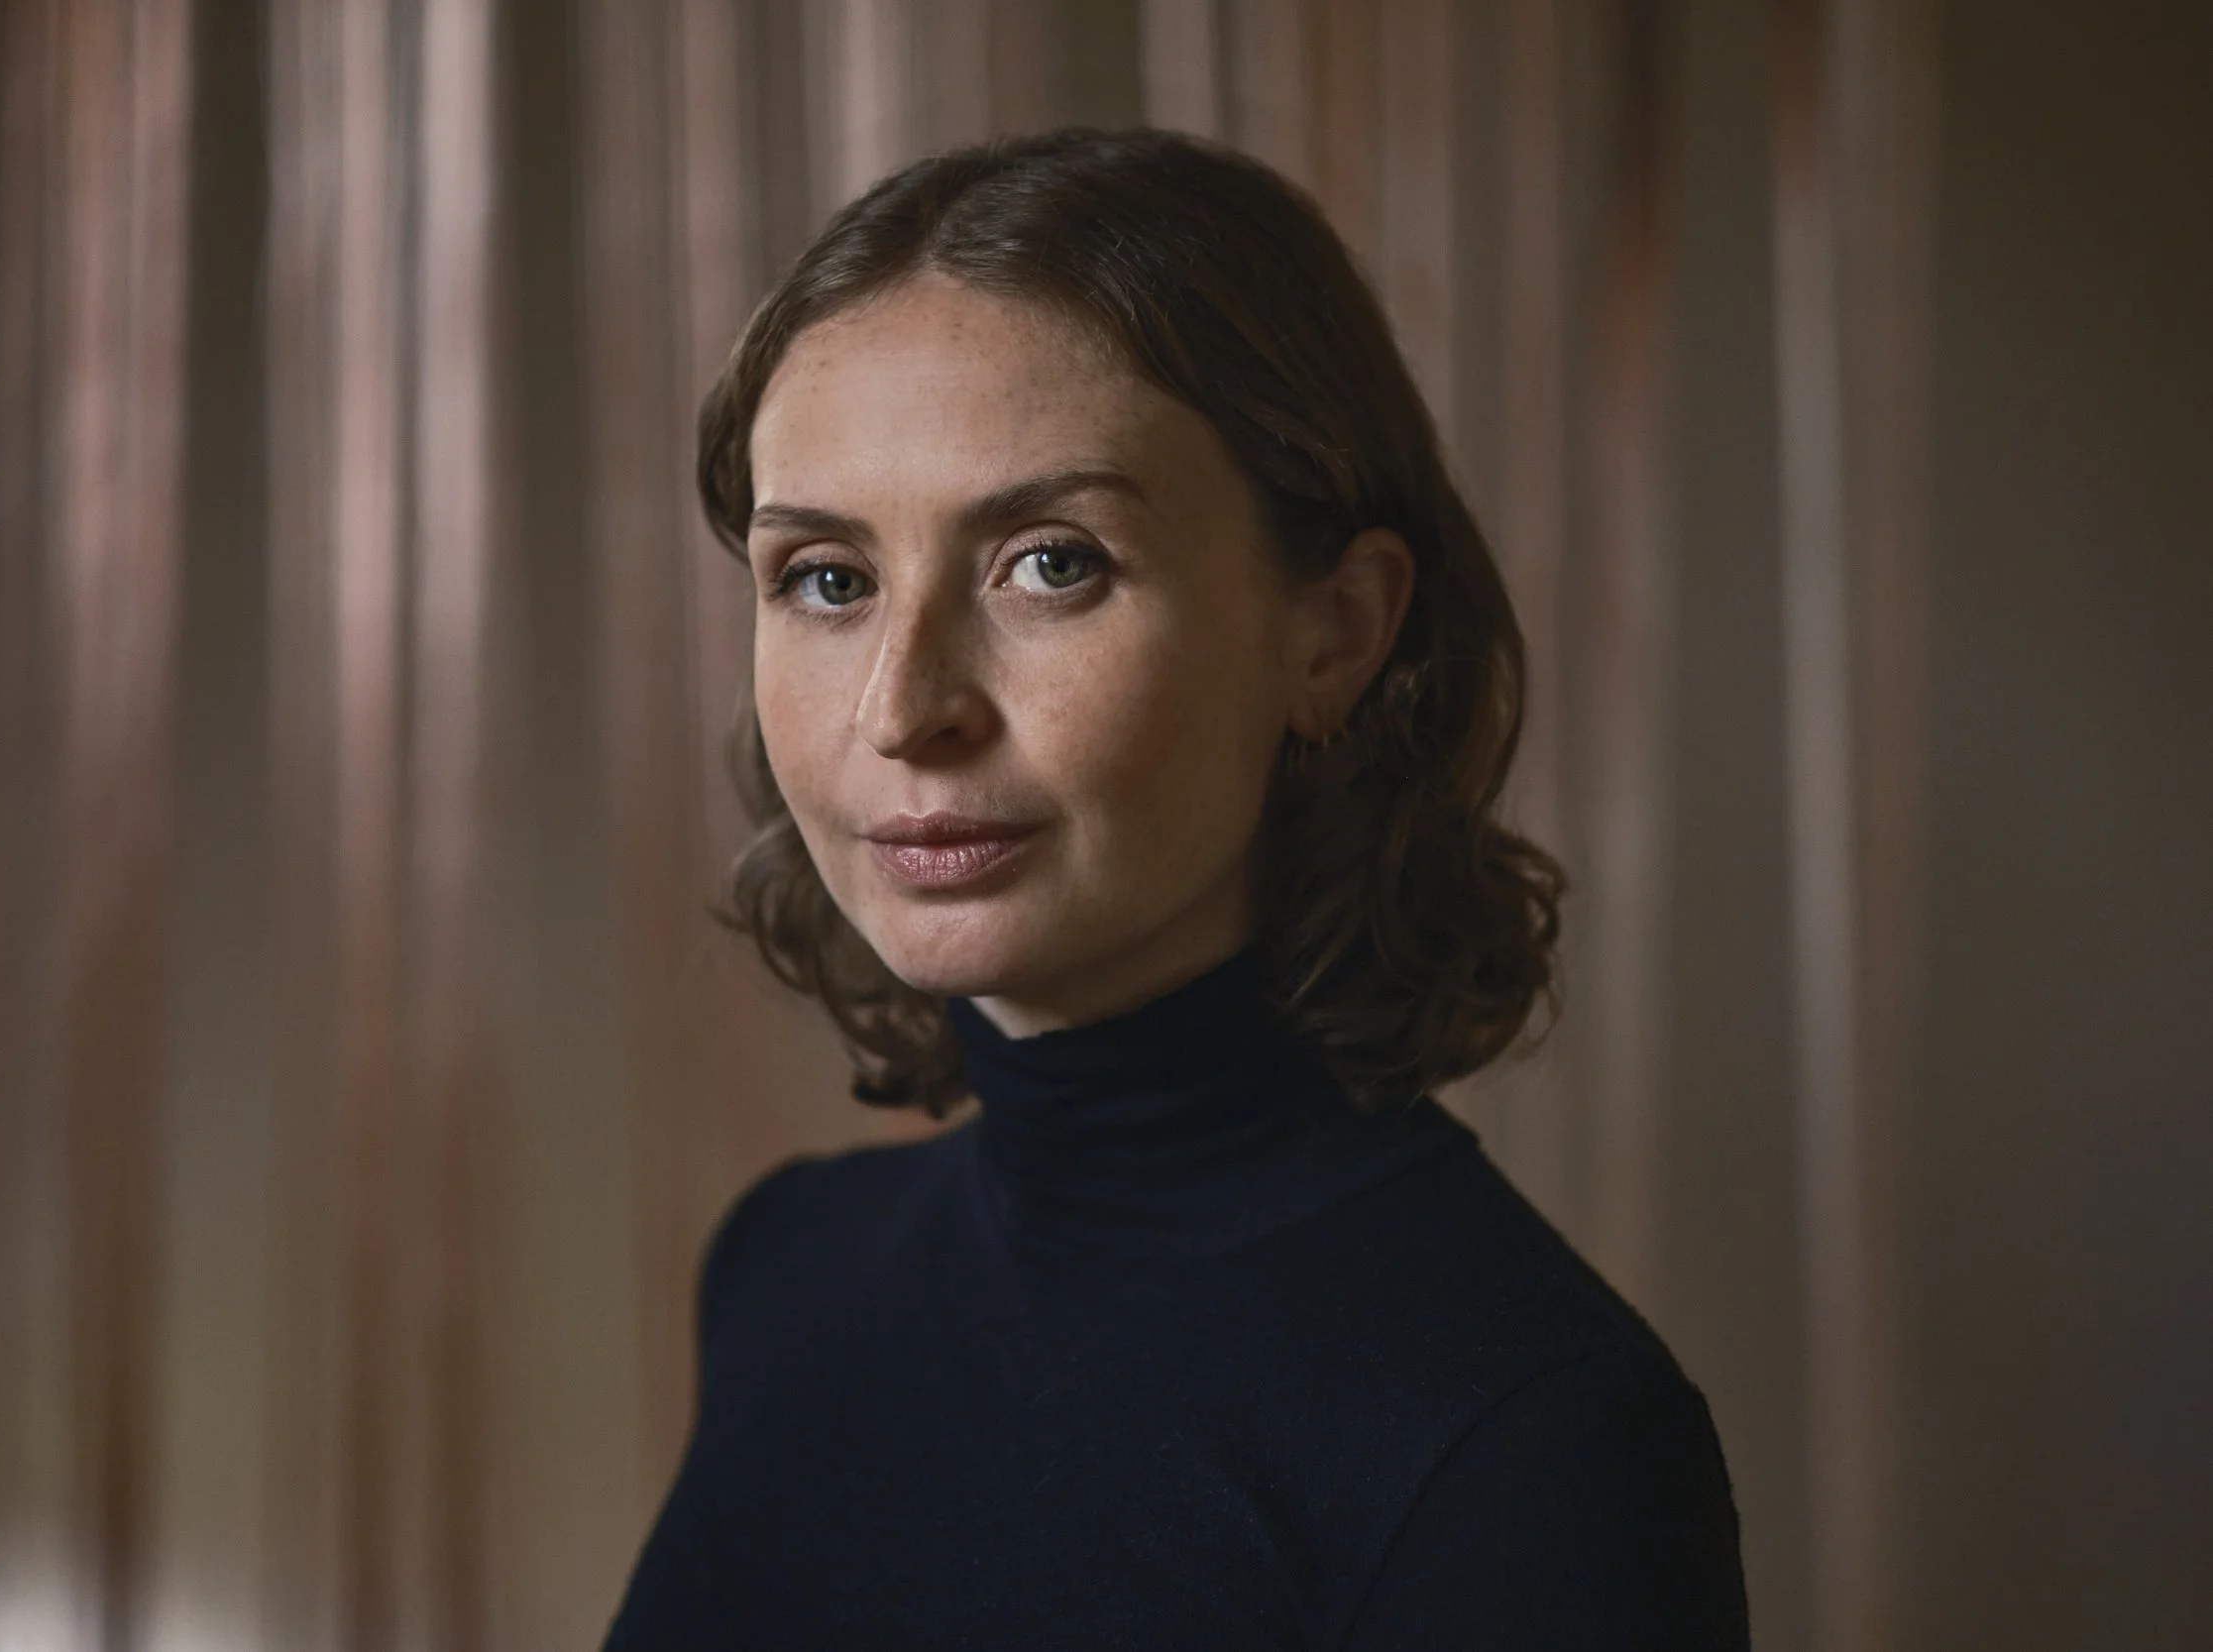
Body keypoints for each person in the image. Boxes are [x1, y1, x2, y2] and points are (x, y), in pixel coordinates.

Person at [603, 127, 1748, 1650]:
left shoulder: (1529, 1438)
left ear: (1336, 631)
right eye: (828, 577)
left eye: (1050, 562)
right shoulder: (784, 1268)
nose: (903, 706)